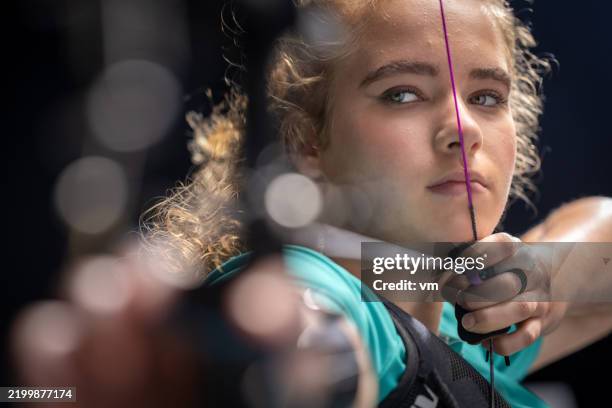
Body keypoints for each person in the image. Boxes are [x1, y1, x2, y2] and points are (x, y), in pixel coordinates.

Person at [11, 0, 612, 407]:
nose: (463, 126)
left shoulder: (466, 313)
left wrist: (540, 272)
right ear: (305, 142)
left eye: (487, 96)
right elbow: (319, 330)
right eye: (402, 93)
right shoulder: (325, 287)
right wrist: (239, 368)